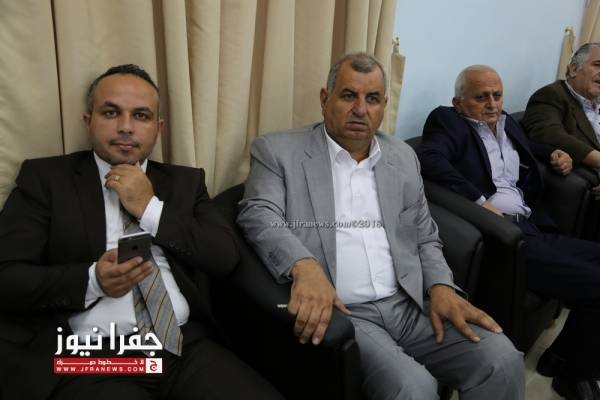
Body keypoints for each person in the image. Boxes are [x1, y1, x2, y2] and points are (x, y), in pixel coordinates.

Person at [237, 53, 523, 400]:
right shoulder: (279, 150)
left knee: (502, 360)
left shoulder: (401, 156)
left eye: (372, 99)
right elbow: (259, 213)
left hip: (409, 302)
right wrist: (304, 265)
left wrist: (441, 285)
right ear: (325, 99)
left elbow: (424, 233)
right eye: (348, 96)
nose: (361, 109)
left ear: (384, 106)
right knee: (414, 390)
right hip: (347, 312)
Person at [0, 64, 282, 400]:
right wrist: (92, 281)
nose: (126, 127)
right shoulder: (45, 179)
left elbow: (223, 257)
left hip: (182, 346)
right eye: (111, 112)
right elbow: (7, 277)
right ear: (88, 120)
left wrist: (149, 208)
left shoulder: (185, 182)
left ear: (158, 127)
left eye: (141, 116)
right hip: (89, 355)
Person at [418, 64, 600, 400]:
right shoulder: (448, 121)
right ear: (458, 102)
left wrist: (554, 152)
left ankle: (559, 357)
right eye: (481, 97)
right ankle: (572, 375)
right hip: (506, 237)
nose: (491, 104)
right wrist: (480, 203)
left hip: (534, 225)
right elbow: (430, 159)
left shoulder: (505, 123)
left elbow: (527, 146)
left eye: (497, 95)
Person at [522, 42, 600, 195]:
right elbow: (548, 133)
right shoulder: (552, 95)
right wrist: (598, 160)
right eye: (597, 65)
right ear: (574, 69)